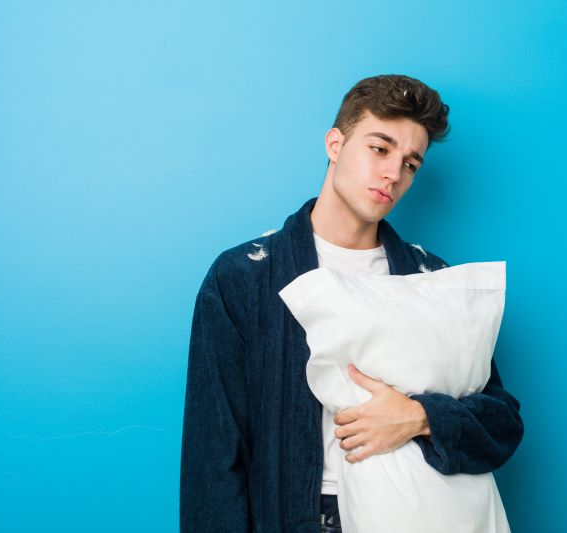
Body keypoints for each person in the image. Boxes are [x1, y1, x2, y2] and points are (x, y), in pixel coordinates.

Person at [180, 74, 524, 533]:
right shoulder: (245, 276)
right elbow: (214, 454)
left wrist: (421, 416)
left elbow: (502, 424)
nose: (393, 174)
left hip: (423, 515)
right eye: (379, 149)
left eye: (411, 164)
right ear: (335, 144)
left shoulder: (431, 278)